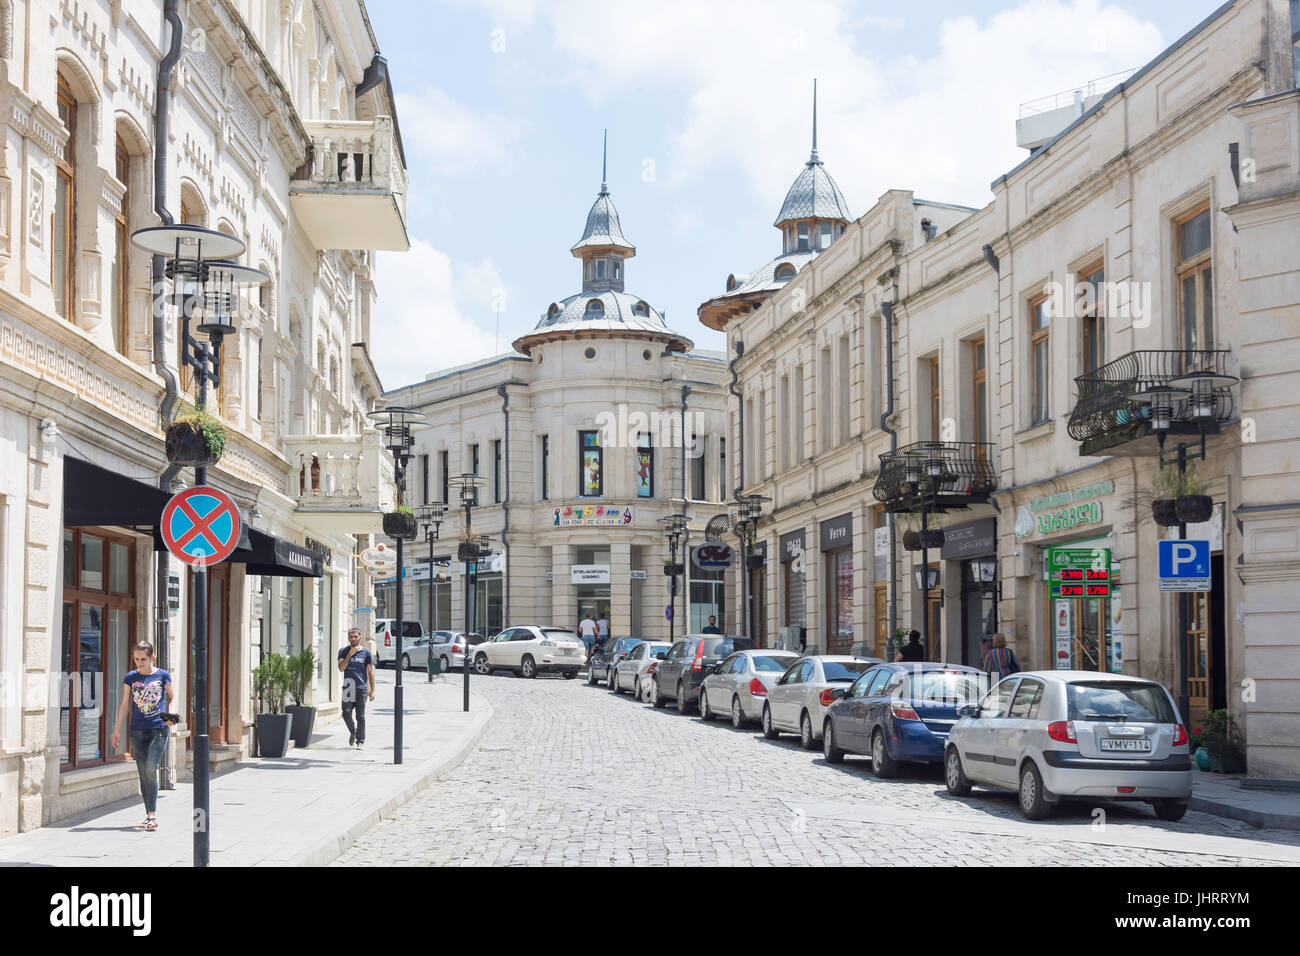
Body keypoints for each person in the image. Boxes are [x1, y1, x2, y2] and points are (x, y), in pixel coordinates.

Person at [111, 640, 175, 832]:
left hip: (158, 729)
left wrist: (170, 715)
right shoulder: (130, 677)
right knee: (143, 772)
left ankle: (152, 816)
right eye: (136, 659)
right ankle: (149, 815)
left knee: (149, 767)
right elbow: (125, 704)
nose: (139, 663)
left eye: (143, 659)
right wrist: (116, 729)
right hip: (137, 729)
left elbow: (171, 697)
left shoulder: (162, 675)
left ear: (152, 657)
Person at [337, 627, 375, 748]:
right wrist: (350, 654)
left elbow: (370, 672)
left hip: (361, 687)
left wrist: (372, 690)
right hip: (348, 686)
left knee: (360, 716)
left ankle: (360, 741)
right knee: (346, 713)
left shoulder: (366, 653)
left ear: (360, 638)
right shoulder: (343, 651)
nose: (353, 639)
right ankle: (353, 731)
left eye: (355, 637)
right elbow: (341, 668)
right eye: (351, 637)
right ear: (348, 638)